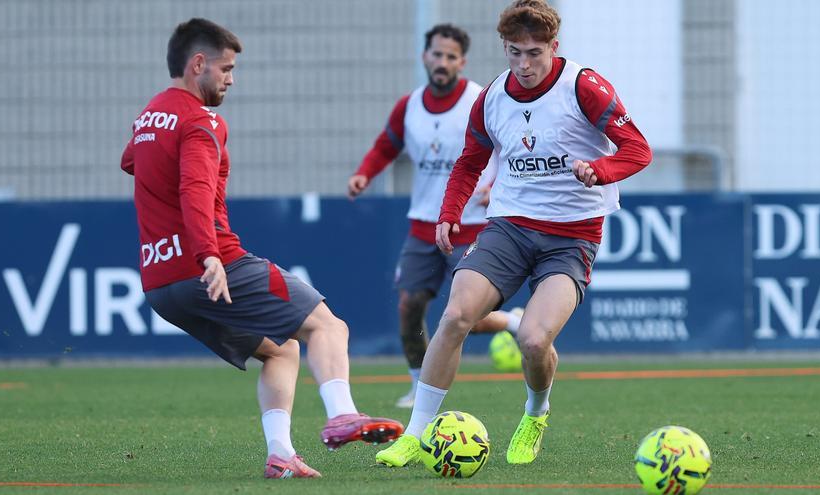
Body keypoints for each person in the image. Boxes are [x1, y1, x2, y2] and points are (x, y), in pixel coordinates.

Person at [120, 18, 404, 479]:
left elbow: (130, 159)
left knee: (280, 350)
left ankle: (280, 454)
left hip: (159, 282)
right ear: (198, 65)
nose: (231, 79)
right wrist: (208, 254)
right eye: (226, 68)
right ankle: (343, 415)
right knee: (329, 327)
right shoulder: (201, 119)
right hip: (212, 264)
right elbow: (194, 189)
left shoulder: (151, 114)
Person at [375, 0, 652, 467]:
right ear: (503, 48)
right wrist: (449, 213)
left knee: (533, 340)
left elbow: (638, 150)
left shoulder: (583, 86)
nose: (523, 64)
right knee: (456, 314)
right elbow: (469, 162)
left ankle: (536, 412)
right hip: (509, 227)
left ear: (553, 47)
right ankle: (415, 433)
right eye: (513, 53)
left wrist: (600, 170)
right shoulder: (492, 97)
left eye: (533, 53)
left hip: (572, 237)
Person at [348, 24, 523, 409]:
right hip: (423, 226)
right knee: (409, 309)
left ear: (461, 61)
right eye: (436, 54)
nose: (442, 62)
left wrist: (498, 186)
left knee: (464, 316)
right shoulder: (408, 106)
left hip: (472, 224)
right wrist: (364, 173)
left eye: (450, 56)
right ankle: (416, 385)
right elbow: (385, 146)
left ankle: (512, 323)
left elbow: (511, 146)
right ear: (425, 57)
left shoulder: (481, 99)